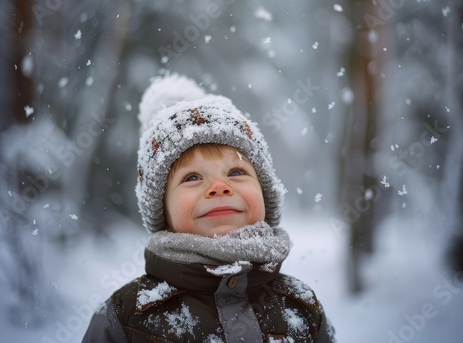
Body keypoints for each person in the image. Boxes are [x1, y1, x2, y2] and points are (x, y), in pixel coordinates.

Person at [82, 74, 335, 342]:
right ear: (162, 211)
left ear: (265, 194)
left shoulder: (302, 308)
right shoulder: (127, 317)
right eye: (192, 177)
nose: (218, 186)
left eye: (236, 172)